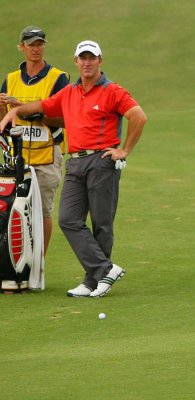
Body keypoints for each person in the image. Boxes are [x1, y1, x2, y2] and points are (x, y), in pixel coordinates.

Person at [0, 40, 147, 298]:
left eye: (92, 58)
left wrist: (124, 150)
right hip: (75, 162)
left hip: (102, 161)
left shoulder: (113, 91)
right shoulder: (69, 92)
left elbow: (138, 116)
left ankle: (93, 280)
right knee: (68, 219)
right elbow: (42, 107)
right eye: (83, 58)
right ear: (76, 61)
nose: (87, 62)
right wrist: (17, 110)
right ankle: (105, 270)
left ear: (100, 60)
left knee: (101, 223)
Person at [0, 26, 70, 256]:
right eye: (31, 44)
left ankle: (37, 266)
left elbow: (65, 119)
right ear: (22, 47)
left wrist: (22, 107)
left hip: (47, 155)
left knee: (42, 212)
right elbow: (5, 124)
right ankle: (17, 262)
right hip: (16, 158)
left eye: (40, 44)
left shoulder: (59, 78)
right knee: (13, 212)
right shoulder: (10, 79)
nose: (36, 49)